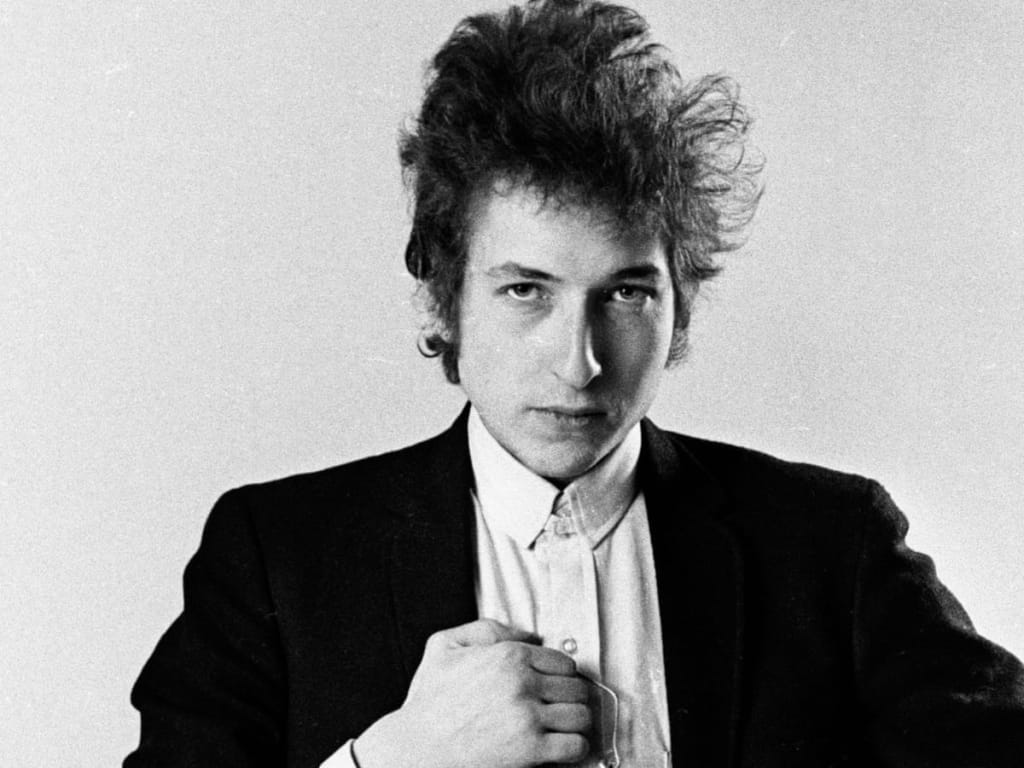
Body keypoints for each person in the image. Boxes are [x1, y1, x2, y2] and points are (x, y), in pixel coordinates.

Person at [124, 1, 1024, 766]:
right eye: (526, 291)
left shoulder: (833, 545)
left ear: (680, 308)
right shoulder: (276, 556)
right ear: (441, 302)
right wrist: (396, 759)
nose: (580, 363)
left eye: (627, 294)